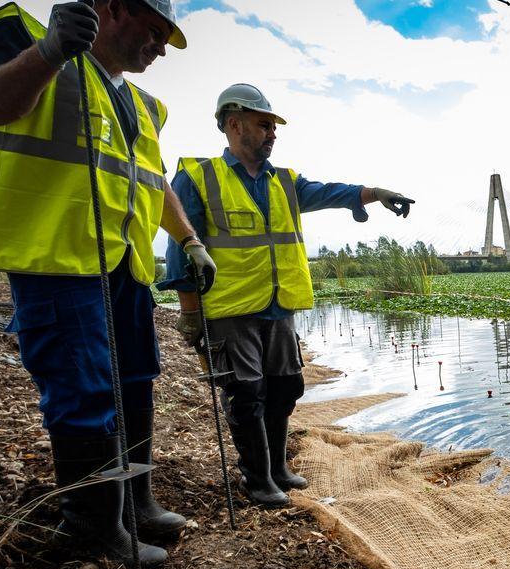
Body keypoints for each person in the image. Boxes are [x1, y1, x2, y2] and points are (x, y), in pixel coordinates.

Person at [0, 0, 214, 567]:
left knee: (136, 378)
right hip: (56, 255)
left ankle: (137, 503)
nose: (158, 48)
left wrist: (191, 240)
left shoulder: (142, 104)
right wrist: (51, 51)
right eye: (153, 31)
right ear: (113, 8)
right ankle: (92, 525)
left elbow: (153, 183)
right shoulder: (24, 36)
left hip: (123, 262)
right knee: (84, 389)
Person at [157, 83, 414, 508]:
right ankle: (257, 480)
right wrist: (189, 314)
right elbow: (178, 250)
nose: (272, 134)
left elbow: (334, 192)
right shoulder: (199, 178)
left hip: (278, 308)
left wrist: (376, 193)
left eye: (274, 127)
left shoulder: (285, 182)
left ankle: (277, 467)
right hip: (229, 309)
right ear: (233, 124)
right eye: (264, 125)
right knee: (246, 392)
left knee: (287, 386)